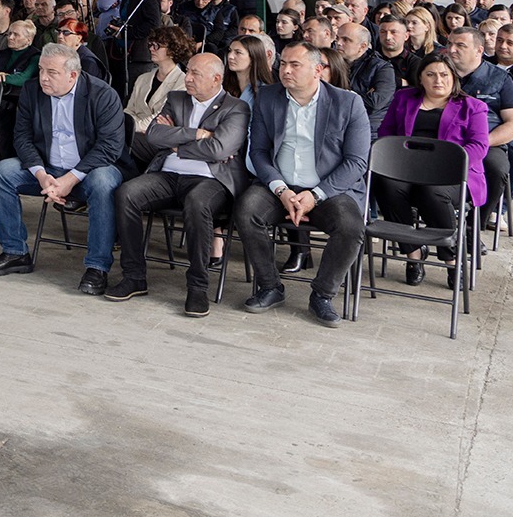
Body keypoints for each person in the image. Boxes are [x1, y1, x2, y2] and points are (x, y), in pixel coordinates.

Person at [237, 44, 370, 328]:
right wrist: (281, 189)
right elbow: (258, 151)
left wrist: (315, 195)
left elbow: (357, 162)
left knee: (350, 227)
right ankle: (270, 286)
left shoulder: (348, 103)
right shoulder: (268, 97)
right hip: (279, 186)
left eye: (295, 65)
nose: (285, 70)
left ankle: (322, 295)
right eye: (283, 63)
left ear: (318, 70)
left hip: (329, 189)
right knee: (247, 211)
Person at [107, 53, 248, 315]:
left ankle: (197, 287)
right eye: (188, 71)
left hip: (211, 179)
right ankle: (134, 276)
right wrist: (198, 134)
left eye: (195, 74)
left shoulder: (236, 107)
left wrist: (177, 145)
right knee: (126, 193)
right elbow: (153, 135)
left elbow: (219, 150)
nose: (188, 78)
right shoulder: (176, 98)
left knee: (197, 203)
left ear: (216, 79)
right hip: (168, 175)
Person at [0, 43, 124, 292]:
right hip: (47, 167)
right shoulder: (32, 89)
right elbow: (22, 137)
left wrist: (70, 179)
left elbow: (110, 147)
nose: (43, 78)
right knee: (2, 173)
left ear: (72, 75)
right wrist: (41, 174)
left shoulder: (102, 94)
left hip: (91, 169)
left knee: (104, 183)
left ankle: (97, 267)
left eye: (52, 72)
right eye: (41, 70)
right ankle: (15, 252)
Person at [374, 60, 489, 288]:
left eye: (444, 75)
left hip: (453, 174)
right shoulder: (403, 98)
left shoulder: (473, 106)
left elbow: (479, 146)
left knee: (431, 192)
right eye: (431, 74)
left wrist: (446, 164)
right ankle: (414, 254)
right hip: (406, 171)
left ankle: (452, 259)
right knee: (385, 184)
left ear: (454, 77)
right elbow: (386, 132)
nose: (438, 80)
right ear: (421, 78)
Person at [445, 28, 513, 229]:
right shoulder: (439, 73)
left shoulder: (499, 78)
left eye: (460, 45)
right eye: (450, 44)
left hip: (486, 140)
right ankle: (440, 223)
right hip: (444, 137)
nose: (452, 50)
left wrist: (481, 143)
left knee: (497, 169)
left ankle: (474, 226)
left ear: (479, 50)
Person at [122, 25, 196, 154]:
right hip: (135, 132)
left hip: (157, 139)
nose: (151, 48)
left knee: (118, 139)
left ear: (172, 49)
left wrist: (128, 127)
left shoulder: (182, 83)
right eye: (150, 44)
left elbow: (159, 118)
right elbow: (129, 110)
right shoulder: (143, 78)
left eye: (157, 46)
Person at [334, 22, 397, 136]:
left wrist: (342, 94)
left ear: (362, 46)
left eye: (346, 40)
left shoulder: (382, 68)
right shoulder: (332, 63)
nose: (338, 43)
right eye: (337, 38)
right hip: (336, 124)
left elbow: (375, 102)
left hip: (369, 129)